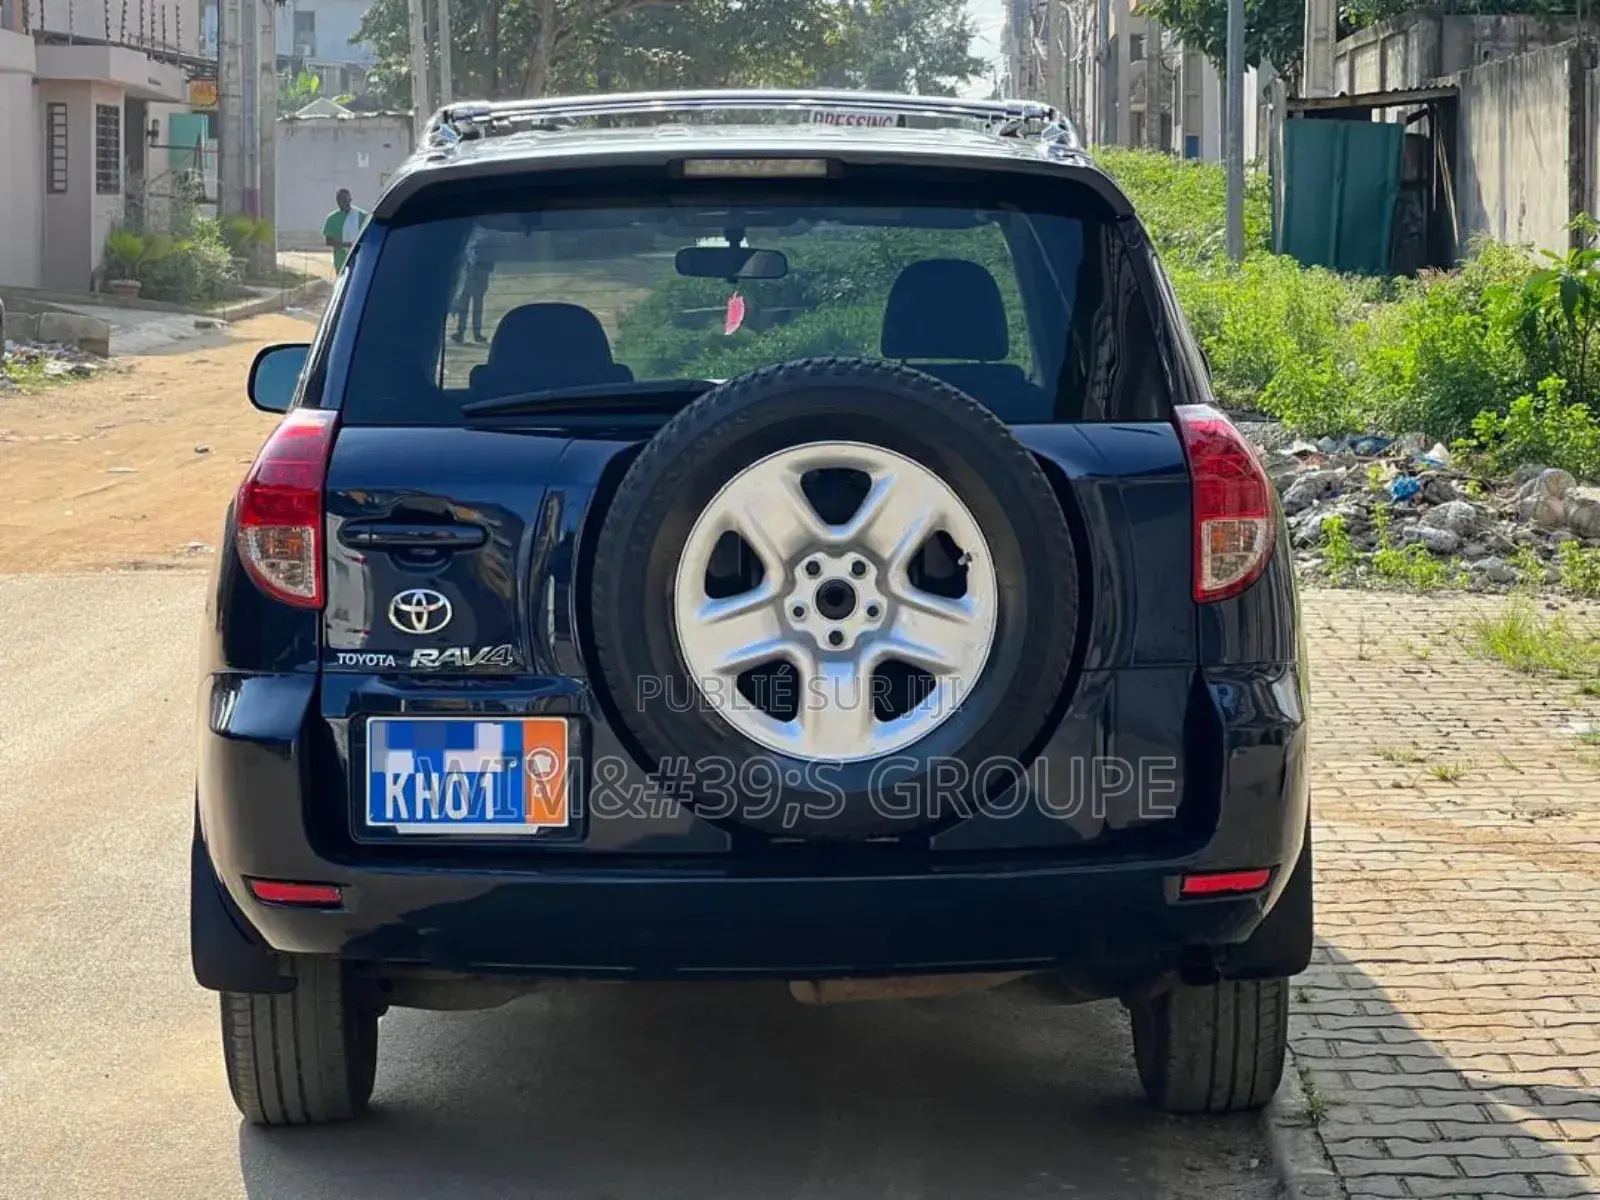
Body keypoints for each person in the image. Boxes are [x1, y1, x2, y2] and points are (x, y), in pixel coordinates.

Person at [451, 225, 495, 344]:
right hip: (468, 283)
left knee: (476, 310)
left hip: (478, 284)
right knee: (464, 309)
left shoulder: (485, 251)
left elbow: (490, 267)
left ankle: (476, 334)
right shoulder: (466, 249)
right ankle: (461, 333)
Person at [321, 189, 367, 273]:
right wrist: (348, 245)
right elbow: (328, 241)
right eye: (339, 199)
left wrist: (355, 246)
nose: (341, 201)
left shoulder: (362, 216)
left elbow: (368, 237)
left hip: (359, 259)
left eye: (344, 199)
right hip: (341, 262)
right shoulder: (332, 218)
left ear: (350, 199)